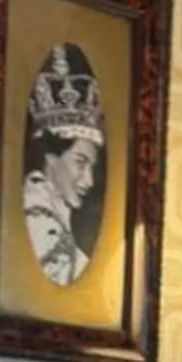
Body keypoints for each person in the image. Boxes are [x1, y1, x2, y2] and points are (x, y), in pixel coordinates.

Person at [21, 44, 108, 287]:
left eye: (91, 167)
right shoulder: (38, 219)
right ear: (51, 158)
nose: (88, 181)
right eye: (80, 162)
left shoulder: (57, 215)